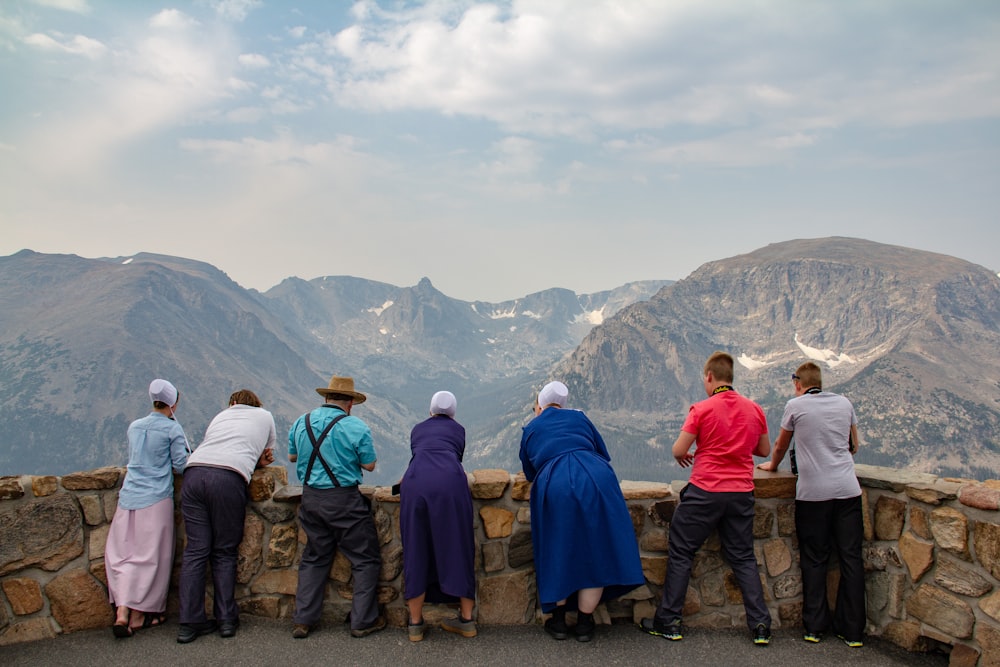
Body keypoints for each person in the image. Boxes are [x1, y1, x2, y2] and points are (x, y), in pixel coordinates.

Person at [640, 352, 773, 646]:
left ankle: (669, 621)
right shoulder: (754, 409)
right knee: (743, 556)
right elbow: (763, 450)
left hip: (705, 490)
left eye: (704, 378)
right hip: (740, 492)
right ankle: (761, 625)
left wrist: (689, 454)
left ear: (710, 377)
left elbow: (678, 449)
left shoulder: (702, 409)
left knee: (682, 550)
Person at [519, 381, 644, 642]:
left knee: (558, 550)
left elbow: (530, 471)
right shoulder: (580, 418)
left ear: (539, 405)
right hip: (597, 478)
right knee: (596, 550)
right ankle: (586, 624)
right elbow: (602, 452)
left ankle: (559, 622)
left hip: (557, 483)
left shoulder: (533, 427)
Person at [757, 362, 865, 647]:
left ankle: (815, 627)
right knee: (851, 559)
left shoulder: (795, 406)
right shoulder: (845, 403)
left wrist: (773, 466)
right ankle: (852, 631)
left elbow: (780, 445)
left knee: (814, 559)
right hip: (848, 491)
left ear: (797, 382)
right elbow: (854, 444)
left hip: (813, 494)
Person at [176, 389, 277, 644]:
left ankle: (189, 622)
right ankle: (226, 619)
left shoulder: (221, 415)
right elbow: (266, 456)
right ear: (257, 403)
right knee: (224, 550)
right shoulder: (265, 416)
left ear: (232, 403)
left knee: (196, 550)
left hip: (194, 473)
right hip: (228, 478)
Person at [289, 375, 384, 639]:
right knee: (364, 558)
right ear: (351, 403)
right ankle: (362, 620)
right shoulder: (356, 426)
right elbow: (370, 465)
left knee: (315, 556)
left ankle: (303, 620)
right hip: (343, 500)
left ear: (326, 398)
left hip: (310, 498)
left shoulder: (302, 421)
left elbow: (292, 456)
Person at [105, 379, 190, 638]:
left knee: (123, 554)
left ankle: (121, 610)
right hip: (156, 498)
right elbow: (180, 465)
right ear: (173, 403)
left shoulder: (135, 427)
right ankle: (141, 614)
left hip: (129, 496)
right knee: (151, 556)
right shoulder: (172, 430)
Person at [399, 391, 477, 642]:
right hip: (451, 486)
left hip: (416, 484)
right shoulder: (459, 430)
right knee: (459, 546)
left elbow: (418, 454)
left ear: (430, 410)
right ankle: (466, 621)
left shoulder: (417, 430)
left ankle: (415, 624)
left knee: (416, 549)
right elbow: (456, 457)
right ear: (453, 412)